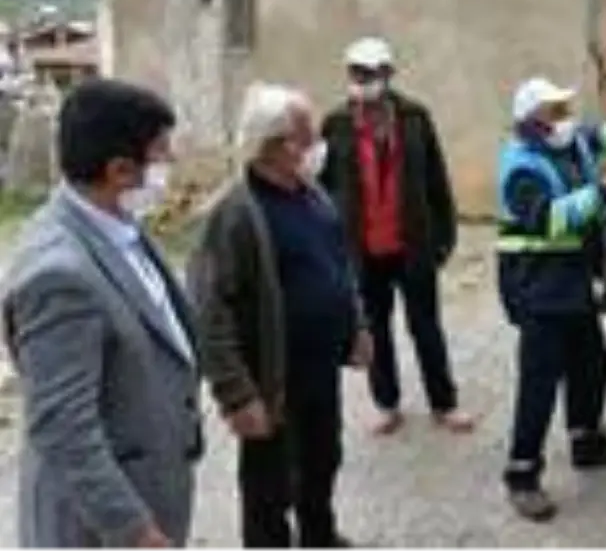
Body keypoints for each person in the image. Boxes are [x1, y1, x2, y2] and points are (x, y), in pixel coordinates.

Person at [2, 79, 202, 551]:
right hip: (97, 531)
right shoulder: (60, 276)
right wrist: (132, 528)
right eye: (160, 156)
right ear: (119, 170)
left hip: (153, 490)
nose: (169, 168)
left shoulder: (118, 227)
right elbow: (62, 427)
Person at [188, 83, 373, 551]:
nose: (317, 147)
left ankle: (319, 539)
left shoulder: (314, 196)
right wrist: (235, 395)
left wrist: (358, 325)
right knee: (269, 490)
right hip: (273, 381)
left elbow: (339, 268)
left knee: (323, 462)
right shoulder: (236, 214)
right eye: (307, 136)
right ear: (276, 145)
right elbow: (211, 312)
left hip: (320, 372)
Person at [496, 76, 606, 522]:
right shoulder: (520, 165)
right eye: (554, 110)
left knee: (591, 365)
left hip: (574, 280)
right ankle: (522, 476)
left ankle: (587, 441)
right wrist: (603, 193)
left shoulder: (572, 142)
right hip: (537, 285)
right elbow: (549, 220)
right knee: (539, 382)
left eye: (564, 107)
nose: (565, 117)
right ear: (531, 122)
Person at [318, 37, 473, 435]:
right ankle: (386, 403)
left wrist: (444, 238)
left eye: (369, 73)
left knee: (426, 325)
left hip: (412, 244)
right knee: (375, 327)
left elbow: (437, 180)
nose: (361, 80)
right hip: (363, 249)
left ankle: (445, 403)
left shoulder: (415, 118)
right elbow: (321, 187)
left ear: (387, 75)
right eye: (355, 73)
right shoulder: (335, 124)